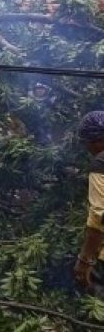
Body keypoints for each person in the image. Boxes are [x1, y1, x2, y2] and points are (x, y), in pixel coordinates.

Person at [74, 111, 104, 291]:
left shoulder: (100, 163)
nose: (87, 148)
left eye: (87, 142)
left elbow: (99, 216)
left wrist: (84, 259)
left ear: (96, 140)